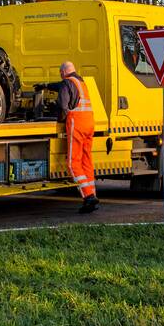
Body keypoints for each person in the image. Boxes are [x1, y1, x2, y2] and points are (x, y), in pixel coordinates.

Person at [36, 61, 99, 213]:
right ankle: (92, 194)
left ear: (63, 72)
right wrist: (46, 85)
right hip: (89, 123)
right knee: (86, 161)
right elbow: (61, 86)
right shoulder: (80, 82)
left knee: (72, 163)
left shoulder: (67, 83)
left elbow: (63, 106)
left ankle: (88, 197)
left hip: (76, 124)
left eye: (60, 73)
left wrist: (59, 120)